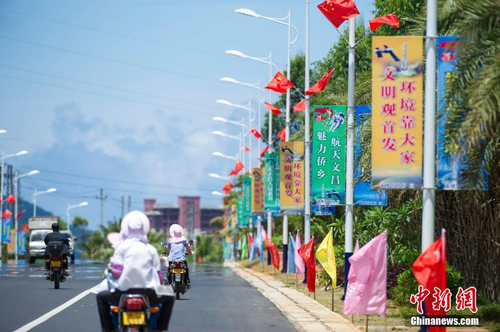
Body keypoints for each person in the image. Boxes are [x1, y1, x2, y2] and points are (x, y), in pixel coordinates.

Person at [96, 211, 174, 332]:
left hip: (123, 291)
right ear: (144, 228)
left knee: (101, 297)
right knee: (170, 297)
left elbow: (117, 272)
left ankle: (110, 329)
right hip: (148, 292)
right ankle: (158, 329)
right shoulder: (151, 249)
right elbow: (159, 276)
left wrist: (113, 268)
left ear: (126, 228)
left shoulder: (121, 247)